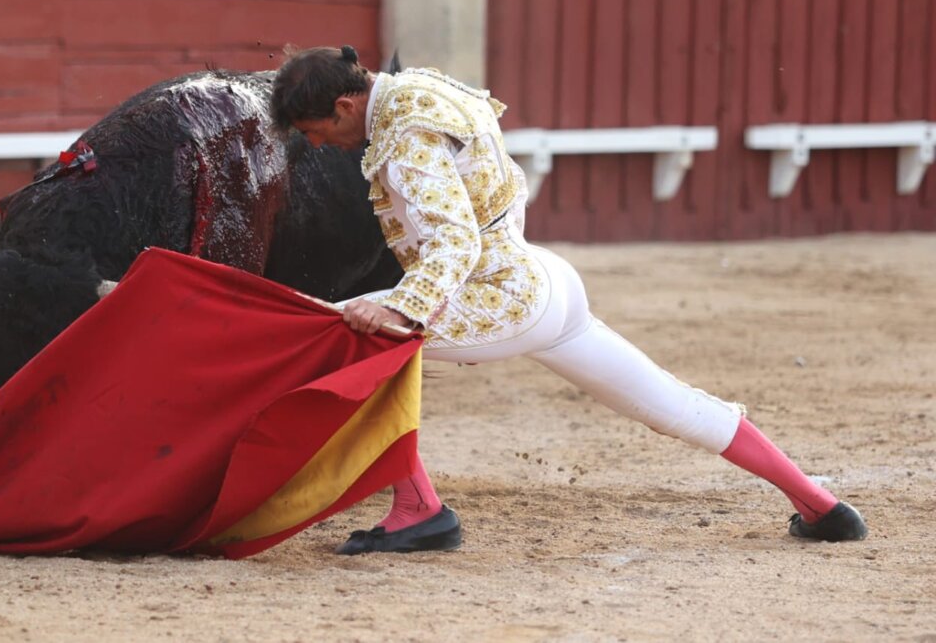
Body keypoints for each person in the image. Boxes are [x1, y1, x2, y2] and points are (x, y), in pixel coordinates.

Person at [268, 45, 869, 555]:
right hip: (546, 279)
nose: (321, 145)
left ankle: (419, 511)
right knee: (669, 403)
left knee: (351, 336)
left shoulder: (405, 139)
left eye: (318, 131)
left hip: (499, 298)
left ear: (347, 106)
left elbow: (452, 242)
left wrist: (403, 308)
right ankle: (820, 506)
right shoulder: (417, 87)